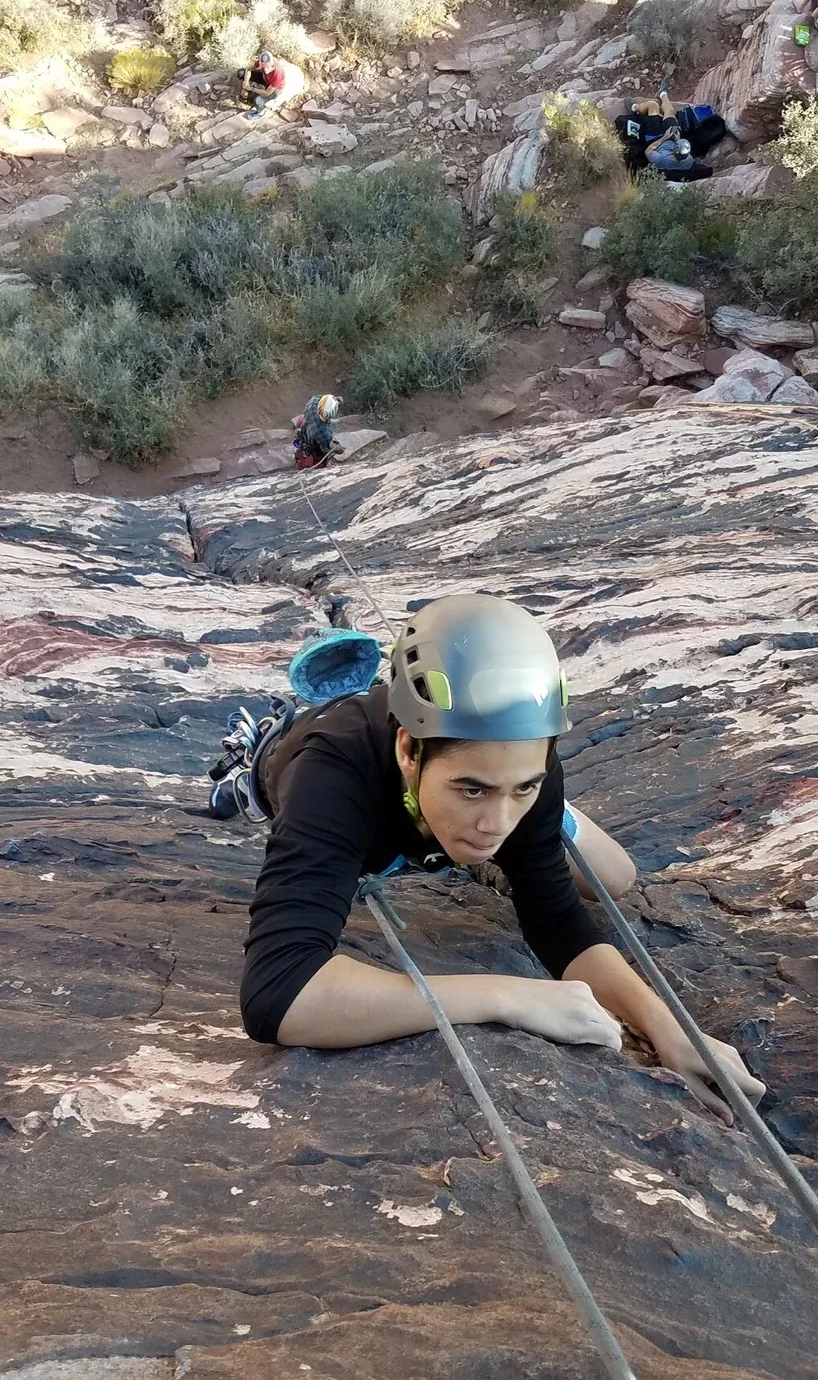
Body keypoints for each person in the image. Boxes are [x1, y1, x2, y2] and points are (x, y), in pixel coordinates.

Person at [240, 594, 765, 1122]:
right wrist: (507, 998)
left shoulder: (524, 764)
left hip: (451, 779)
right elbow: (279, 993)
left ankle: (521, 796)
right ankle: (265, 747)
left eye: (524, 788)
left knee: (615, 876)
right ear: (408, 751)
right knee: (503, 820)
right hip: (332, 772)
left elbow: (557, 923)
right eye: (473, 789)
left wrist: (668, 1025)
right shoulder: (331, 772)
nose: (496, 825)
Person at [293, 392, 341, 467]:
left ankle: (299, 434)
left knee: (301, 420)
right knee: (321, 461)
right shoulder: (323, 432)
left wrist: (335, 399)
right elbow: (326, 449)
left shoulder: (312, 403)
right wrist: (336, 449)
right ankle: (304, 460)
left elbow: (320, 398)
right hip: (310, 443)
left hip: (305, 429)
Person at [241, 49, 288, 119]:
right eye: (263, 67)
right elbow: (248, 69)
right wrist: (246, 83)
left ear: (272, 66)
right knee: (241, 73)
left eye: (267, 67)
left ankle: (261, 112)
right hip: (265, 79)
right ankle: (256, 88)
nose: (265, 69)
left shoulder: (278, 73)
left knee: (258, 100)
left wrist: (250, 88)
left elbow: (267, 93)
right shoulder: (263, 61)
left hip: (274, 89)